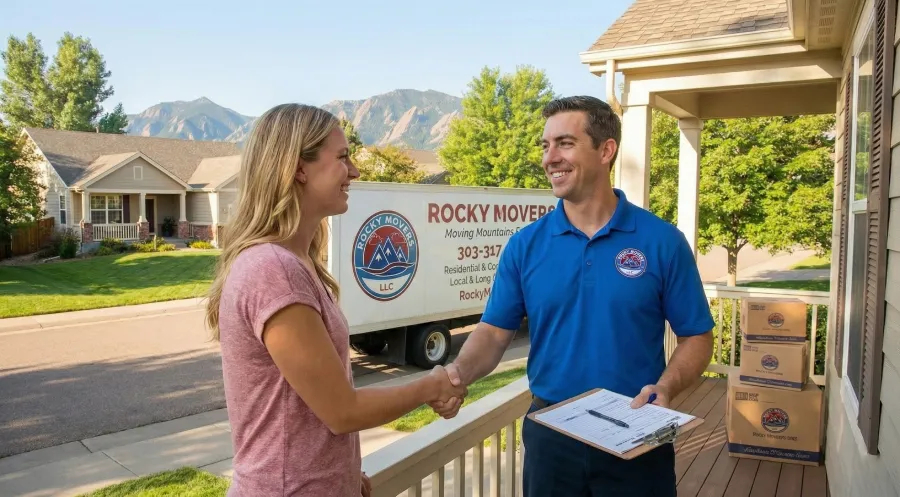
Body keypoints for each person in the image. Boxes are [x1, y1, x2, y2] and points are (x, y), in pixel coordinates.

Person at [429, 96, 714, 496]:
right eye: (545, 146)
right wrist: (457, 376)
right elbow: (494, 333)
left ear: (606, 150)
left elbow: (697, 336)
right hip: (552, 432)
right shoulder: (525, 246)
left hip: (638, 430)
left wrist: (666, 387)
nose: (550, 158)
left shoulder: (662, 241)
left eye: (564, 143)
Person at [205, 103, 467, 497]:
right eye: (343, 157)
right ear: (298, 168)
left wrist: (342, 475)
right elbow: (342, 411)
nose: (355, 171)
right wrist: (430, 386)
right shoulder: (272, 269)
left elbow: (304, 412)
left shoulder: (294, 262)